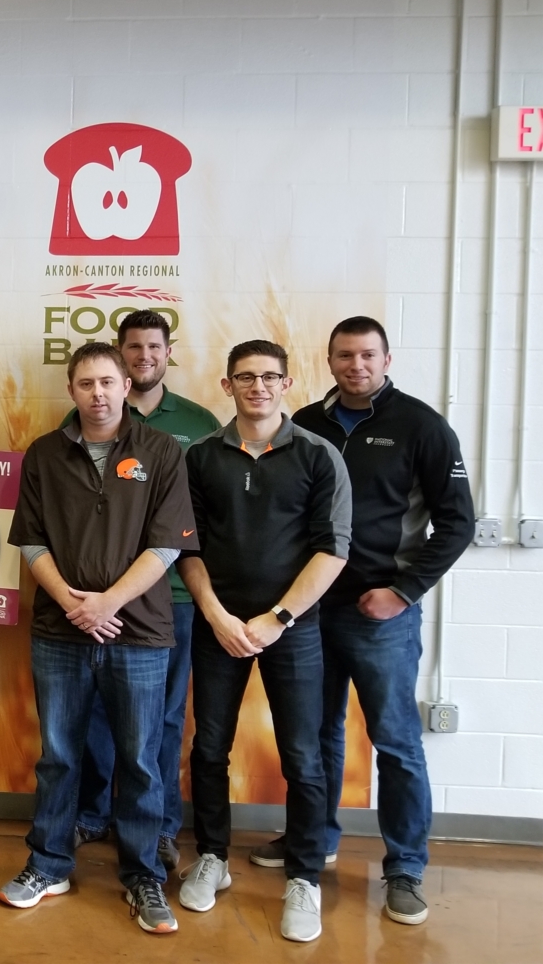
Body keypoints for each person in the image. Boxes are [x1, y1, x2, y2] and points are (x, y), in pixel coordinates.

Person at [253, 316, 473, 926]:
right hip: (307, 611)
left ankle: (404, 867)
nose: (357, 366)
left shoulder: (422, 426)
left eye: (368, 356)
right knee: (312, 737)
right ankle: (313, 842)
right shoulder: (304, 426)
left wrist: (402, 591)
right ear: (328, 361)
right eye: (345, 356)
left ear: (386, 358)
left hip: (381, 616)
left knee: (396, 742)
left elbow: (458, 524)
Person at [0, 343, 197, 936]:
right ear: (72, 389)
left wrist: (108, 603)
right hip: (60, 631)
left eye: (108, 382)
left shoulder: (160, 451)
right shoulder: (43, 453)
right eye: (86, 383)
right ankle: (49, 863)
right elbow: (31, 541)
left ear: (126, 385)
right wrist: (71, 602)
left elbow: (167, 545)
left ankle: (142, 878)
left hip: (139, 633)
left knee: (138, 761)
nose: (99, 393)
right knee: (59, 755)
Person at [178, 339, 351, 944]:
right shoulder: (201, 458)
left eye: (269, 377)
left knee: (303, 757)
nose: (258, 386)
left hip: (292, 630)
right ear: (227, 386)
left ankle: (303, 876)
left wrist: (277, 617)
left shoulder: (318, 455)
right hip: (218, 625)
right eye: (245, 377)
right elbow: (187, 548)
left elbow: (333, 549)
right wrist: (219, 616)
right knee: (208, 750)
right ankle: (214, 858)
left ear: (287, 383)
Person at [63, 311, 221, 872]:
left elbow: (198, 513)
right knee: (102, 714)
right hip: (93, 603)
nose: (143, 356)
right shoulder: (85, 417)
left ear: (167, 352)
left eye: (154, 347)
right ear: (121, 357)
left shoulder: (199, 423)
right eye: (133, 347)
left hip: (171, 599)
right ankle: (97, 812)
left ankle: (160, 828)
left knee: (166, 718)